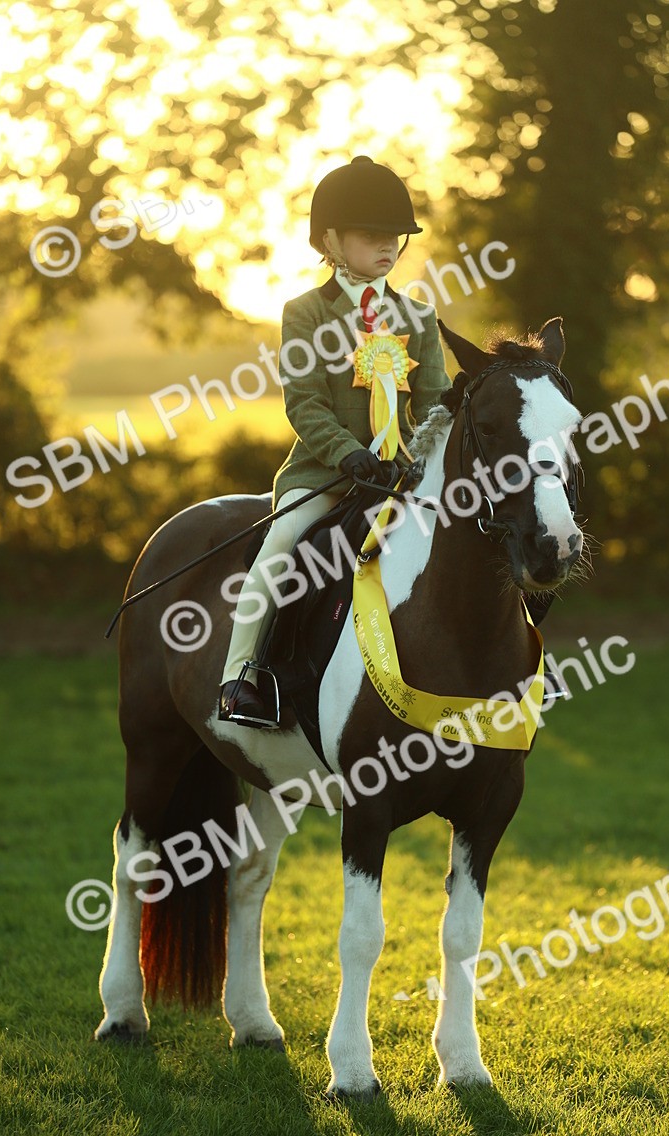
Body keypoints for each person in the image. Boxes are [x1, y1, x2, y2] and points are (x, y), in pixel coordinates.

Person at [219, 154, 453, 727]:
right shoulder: (304, 314)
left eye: (394, 237)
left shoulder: (418, 317)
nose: (387, 247)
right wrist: (351, 454)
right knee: (279, 551)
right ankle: (242, 679)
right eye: (371, 235)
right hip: (326, 478)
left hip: (404, 480)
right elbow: (305, 402)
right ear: (330, 240)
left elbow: (435, 405)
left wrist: (417, 461)